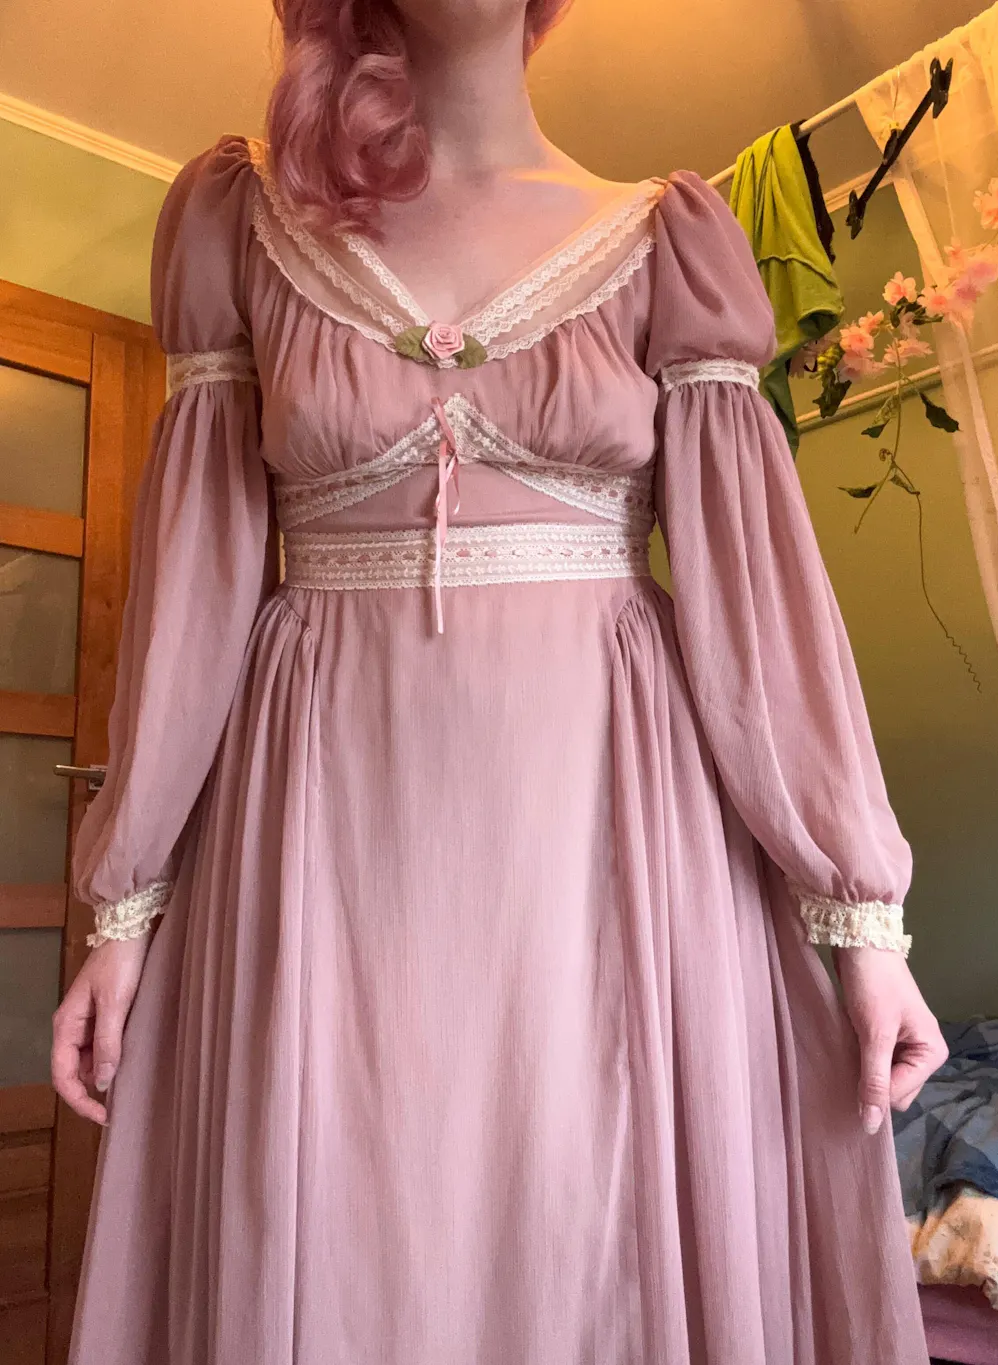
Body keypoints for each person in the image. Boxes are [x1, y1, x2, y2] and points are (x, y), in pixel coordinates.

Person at [52, 1, 947, 1361]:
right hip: (325, 834)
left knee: (599, 1219)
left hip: (615, 840)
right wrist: (123, 908)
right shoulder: (239, 225)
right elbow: (193, 589)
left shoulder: (666, 242)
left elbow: (758, 608)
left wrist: (865, 922)